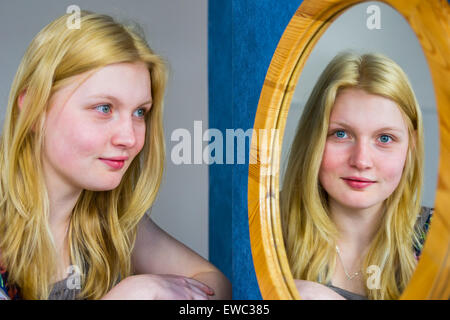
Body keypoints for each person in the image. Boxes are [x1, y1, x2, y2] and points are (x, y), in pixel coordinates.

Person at [0, 11, 231, 300]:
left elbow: (214, 284)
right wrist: (132, 293)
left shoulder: (111, 220)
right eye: (104, 108)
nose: (130, 138)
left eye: (139, 112)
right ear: (34, 109)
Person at [280, 52, 433, 300]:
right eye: (341, 134)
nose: (361, 161)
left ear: (411, 146)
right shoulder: (262, 226)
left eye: (385, 138)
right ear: (313, 138)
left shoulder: (440, 239)